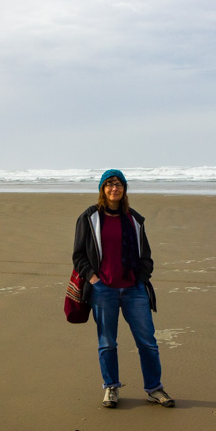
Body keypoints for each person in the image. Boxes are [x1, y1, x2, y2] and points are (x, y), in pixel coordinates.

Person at [72, 169, 175, 408]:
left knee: (147, 341)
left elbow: (146, 256)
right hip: (103, 290)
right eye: (109, 185)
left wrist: (140, 278)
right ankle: (111, 387)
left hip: (133, 290)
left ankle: (154, 389)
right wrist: (93, 278)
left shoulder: (134, 219)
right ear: (102, 189)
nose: (114, 189)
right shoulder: (90, 218)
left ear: (124, 189)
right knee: (107, 342)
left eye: (118, 184)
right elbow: (78, 256)